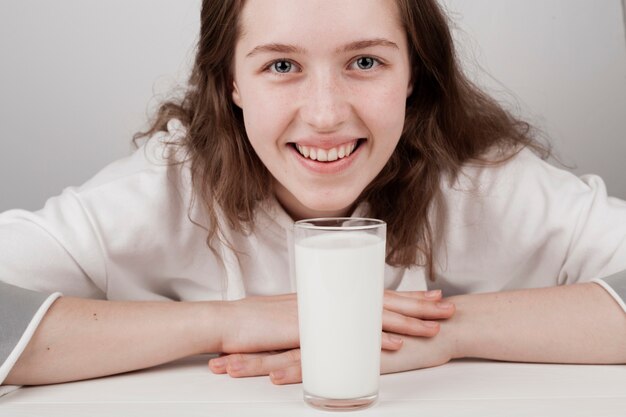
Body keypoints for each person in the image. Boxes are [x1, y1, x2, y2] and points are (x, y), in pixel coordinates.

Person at [1, 0, 625, 388]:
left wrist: (444, 332)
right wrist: (232, 322)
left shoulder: (483, 182)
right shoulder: (157, 192)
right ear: (231, 83)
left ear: (413, 75)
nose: (325, 115)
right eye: (281, 66)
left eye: (365, 62)